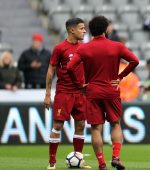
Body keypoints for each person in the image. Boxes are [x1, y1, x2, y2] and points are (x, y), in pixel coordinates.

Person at [67, 16, 139, 170]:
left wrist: (80, 85)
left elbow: (70, 67)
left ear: (91, 30)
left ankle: (101, 163)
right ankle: (116, 157)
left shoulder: (84, 48)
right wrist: (120, 77)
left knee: (95, 128)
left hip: (92, 92)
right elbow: (134, 61)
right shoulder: (116, 46)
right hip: (111, 90)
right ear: (106, 29)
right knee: (116, 124)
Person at [43, 18, 91, 170]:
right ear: (72, 30)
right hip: (64, 92)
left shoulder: (84, 48)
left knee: (81, 124)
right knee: (58, 125)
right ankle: (52, 161)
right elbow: (51, 71)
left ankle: (78, 158)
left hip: (80, 92)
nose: (84, 31)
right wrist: (47, 94)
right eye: (82, 28)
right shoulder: (60, 48)